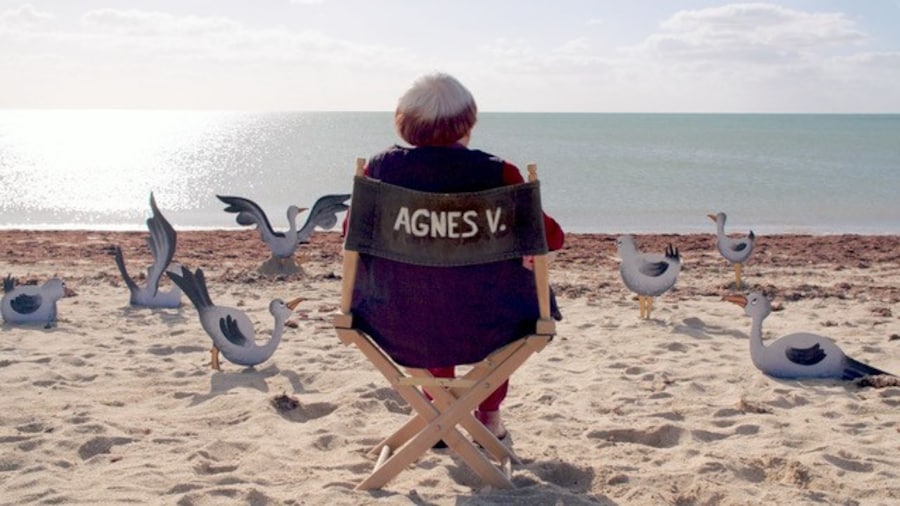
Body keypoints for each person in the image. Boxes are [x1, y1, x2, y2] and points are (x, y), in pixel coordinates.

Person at [349, 72, 565, 442]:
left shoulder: (379, 170)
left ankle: (439, 413)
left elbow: (351, 234)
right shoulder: (500, 172)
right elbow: (551, 238)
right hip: (488, 320)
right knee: (499, 302)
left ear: (404, 123)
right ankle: (488, 416)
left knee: (429, 295)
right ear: (467, 122)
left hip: (394, 314)